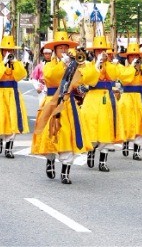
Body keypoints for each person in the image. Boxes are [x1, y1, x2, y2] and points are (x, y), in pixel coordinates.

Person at [32, 31, 98, 183]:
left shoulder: (75, 63)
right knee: (50, 134)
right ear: (54, 51)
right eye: (59, 48)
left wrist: (84, 62)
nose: (62, 50)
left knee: (68, 134)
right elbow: (50, 77)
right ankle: (50, 160)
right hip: (52, 102)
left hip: (68, 103)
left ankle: (65, 172)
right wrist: (64, 64)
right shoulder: (50, 65)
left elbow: (91, 77)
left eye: (65, 47)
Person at [0, 35, 30, 158]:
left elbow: (21, 75)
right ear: (1, 51)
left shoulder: (16, 62)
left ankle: (9, 148)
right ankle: (0, 137)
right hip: (0, 93)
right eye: (6, 50)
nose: (8, 52)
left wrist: (15, 63)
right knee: (0, 118)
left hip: (13, 92)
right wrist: (3, 63)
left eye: (10, 50)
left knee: (13, 120)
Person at [82, 35, 120, 172]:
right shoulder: (88, 65)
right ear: (93, 52)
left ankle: (103, 161)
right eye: (98, 51)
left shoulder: (111, 65)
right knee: (91, 126)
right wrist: (97, 64)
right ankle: (91, 150)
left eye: (103, 51)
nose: (101, 53)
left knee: (107, 128)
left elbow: (115, 76)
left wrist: (107, 62)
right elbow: (88, 79)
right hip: (92, 97)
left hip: (107, 98)